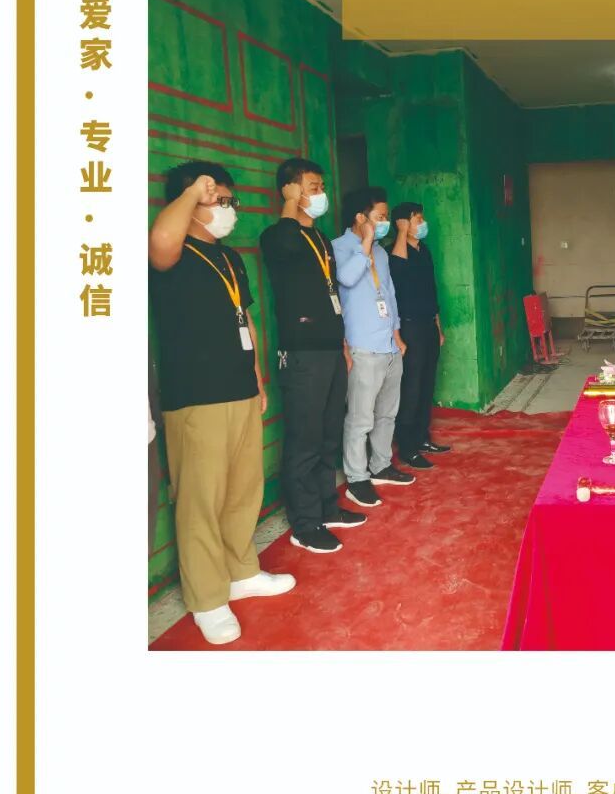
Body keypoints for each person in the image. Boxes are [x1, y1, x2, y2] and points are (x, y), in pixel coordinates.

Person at [148, 160, 295, 645]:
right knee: (200, 500)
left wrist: (257, 379)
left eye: (231, 200)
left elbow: (243, 318)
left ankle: (241, 572)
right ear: (189, 203)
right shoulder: (172, 253)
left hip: (239, 389)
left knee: (241, 491)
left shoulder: (230, 258)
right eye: (219, 200)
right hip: (196, 396)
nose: (230, 209)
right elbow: (161, 240)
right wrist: (195, 191)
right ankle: (208, 599)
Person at [260, 155, 367, 557]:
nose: (321, 194)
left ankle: (326, 507)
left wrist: (343, 344)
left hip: (331, 348)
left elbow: (331, 294)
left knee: (327, 434)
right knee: (304, 439)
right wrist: (291, 205)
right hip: (302, 353)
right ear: (289, 190)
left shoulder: (321, 239)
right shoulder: (277, 236)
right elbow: (287, 243)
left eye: (322, 187)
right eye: (312, 187)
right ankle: (305, 525)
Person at [332, 188, 416, 508]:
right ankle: (357, 478)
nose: (385, 222)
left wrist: (397, 335)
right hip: (362, 345)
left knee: (387, 413)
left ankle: (380, 465)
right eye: (380, 217)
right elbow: (347, 279)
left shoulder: (381, 252)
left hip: (389, 344)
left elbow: (389, 294)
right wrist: (365, 243)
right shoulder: (338, 248)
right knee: (360, 418)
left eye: (385, 216)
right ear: (360, 217)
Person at [389, 201, 451, 468]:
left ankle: (422, 437)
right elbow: (397, 269)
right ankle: (407, 447)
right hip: (409, 326)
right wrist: (402, 232)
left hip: (428, 325)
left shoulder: (424, 251)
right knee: (411, 387)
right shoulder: (394, 251)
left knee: (426, 384)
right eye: (418, 219)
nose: (423, 224)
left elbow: (431, 290)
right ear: (403, 223)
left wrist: (438, 326)